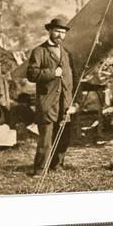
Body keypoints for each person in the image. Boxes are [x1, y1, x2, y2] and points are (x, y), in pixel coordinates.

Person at [26, 17, 79, 177]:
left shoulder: (67, 53)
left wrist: (73, 102)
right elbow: (31, 74)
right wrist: (51, 74)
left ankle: (57, 165)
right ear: (49, 31)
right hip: (47, 103)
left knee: (63, 136)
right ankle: (39, 170)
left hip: (65, 103)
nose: (60, 35)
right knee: (45, 139)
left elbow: (73, 79)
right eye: (57, 31)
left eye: (63, 33)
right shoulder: (39, 51)